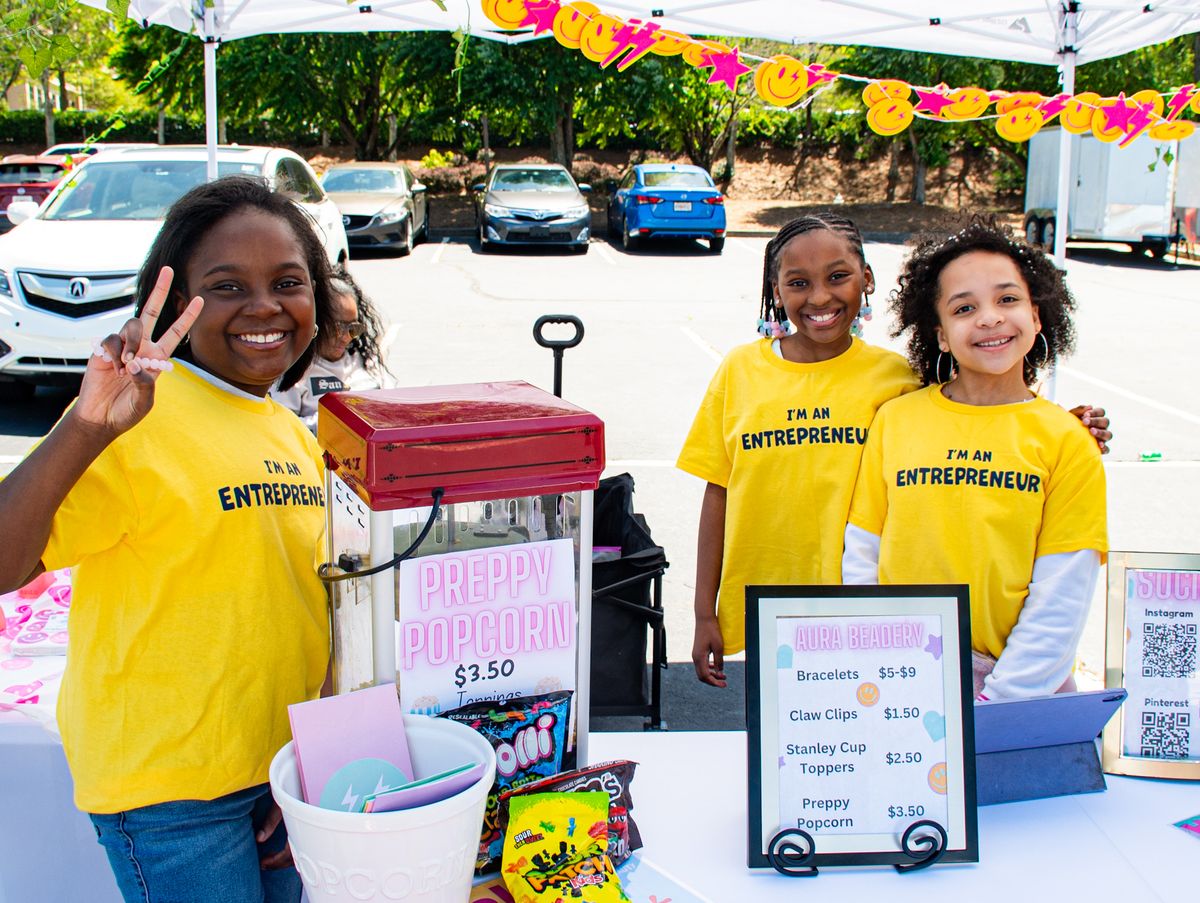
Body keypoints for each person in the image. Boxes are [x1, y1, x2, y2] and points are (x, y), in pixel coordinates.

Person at [0, 176, 336, 902]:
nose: (263, 306)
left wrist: (307, 761)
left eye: (288, 281)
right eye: (225, 286)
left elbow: (305, 606)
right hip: (172, 793)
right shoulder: (132, 413)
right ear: (174, 299)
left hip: (274, 777)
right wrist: (85, 428)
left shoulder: (289, 431)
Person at [677, 213, 1111, 688]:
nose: (820, 296)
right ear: (776, 291)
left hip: (864, 623)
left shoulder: (896, 380)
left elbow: (979, 414)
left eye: (838, 276)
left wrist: (1063, 426)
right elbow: (717, 492)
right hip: (771, 610)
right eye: (798, 282)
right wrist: (704, 612)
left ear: (866, 280)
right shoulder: (739, 370)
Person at [842, 217, 1107, 700]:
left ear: (1038, 316)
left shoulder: (1068, 439)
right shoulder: (896, 420)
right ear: (940, 334)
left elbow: (1062, 596)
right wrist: (879, 661)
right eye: (964, 307)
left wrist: (999, 702)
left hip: (1018, 683)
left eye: (1008, 299)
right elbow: (863, 557)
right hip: (901, 673)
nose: (989, 318)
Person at [272, 268, 393, 431]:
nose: (346, 337)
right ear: (316, 321)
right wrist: (339, 420)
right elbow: (285, 429)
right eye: (338, 327)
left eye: (354, 329)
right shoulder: (294, 372)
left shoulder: (366, 362)